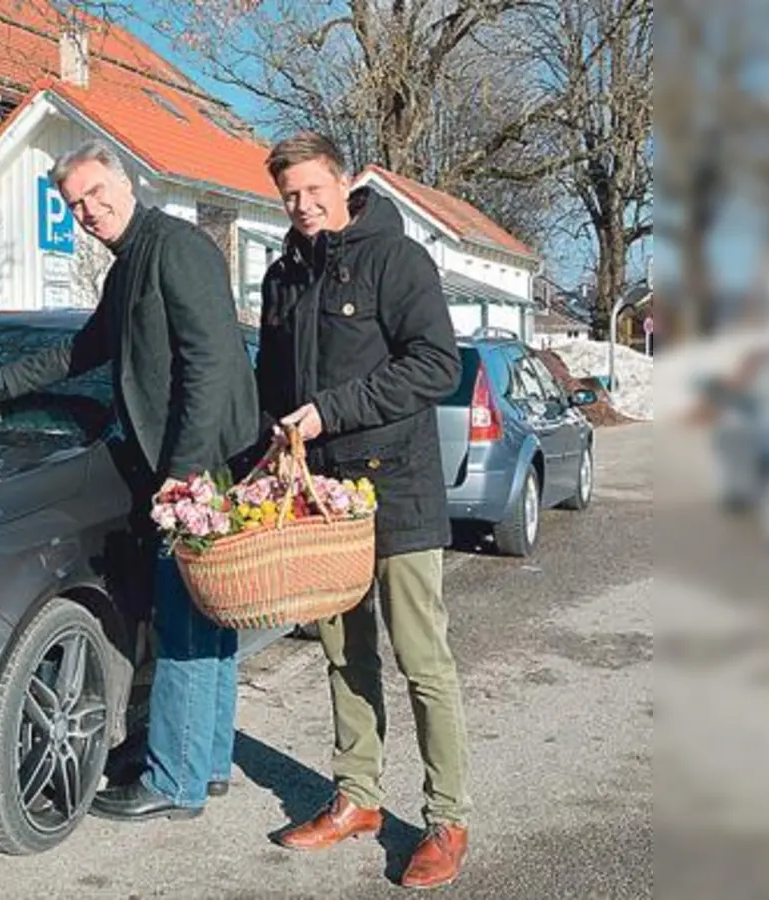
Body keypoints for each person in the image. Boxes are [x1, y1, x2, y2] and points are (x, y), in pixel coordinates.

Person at [0, 139, 258, 821]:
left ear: (126, 182)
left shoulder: (176, 248)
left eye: (95, 194)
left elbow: (209, 364)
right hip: (187, 464)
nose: (88, 211)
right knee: (207, 621)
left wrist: (180, 474)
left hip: (195, 468)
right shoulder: (127, 268)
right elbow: (85, 349)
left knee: (183, 624)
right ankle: (203, 767)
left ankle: (172, 780)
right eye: (74, 204)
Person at [255, 131, 470, 889]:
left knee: (422, 660)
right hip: (325, 500)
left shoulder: (395, 259)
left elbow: (436, 365)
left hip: (400, 487)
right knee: (346, 655)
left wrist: (329, 411)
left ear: (343, 183)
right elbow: (273, 383)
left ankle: (447, 818)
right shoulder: (281, 276)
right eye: (290, 194)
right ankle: (359, 798)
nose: (304, 204)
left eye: (315, 188)